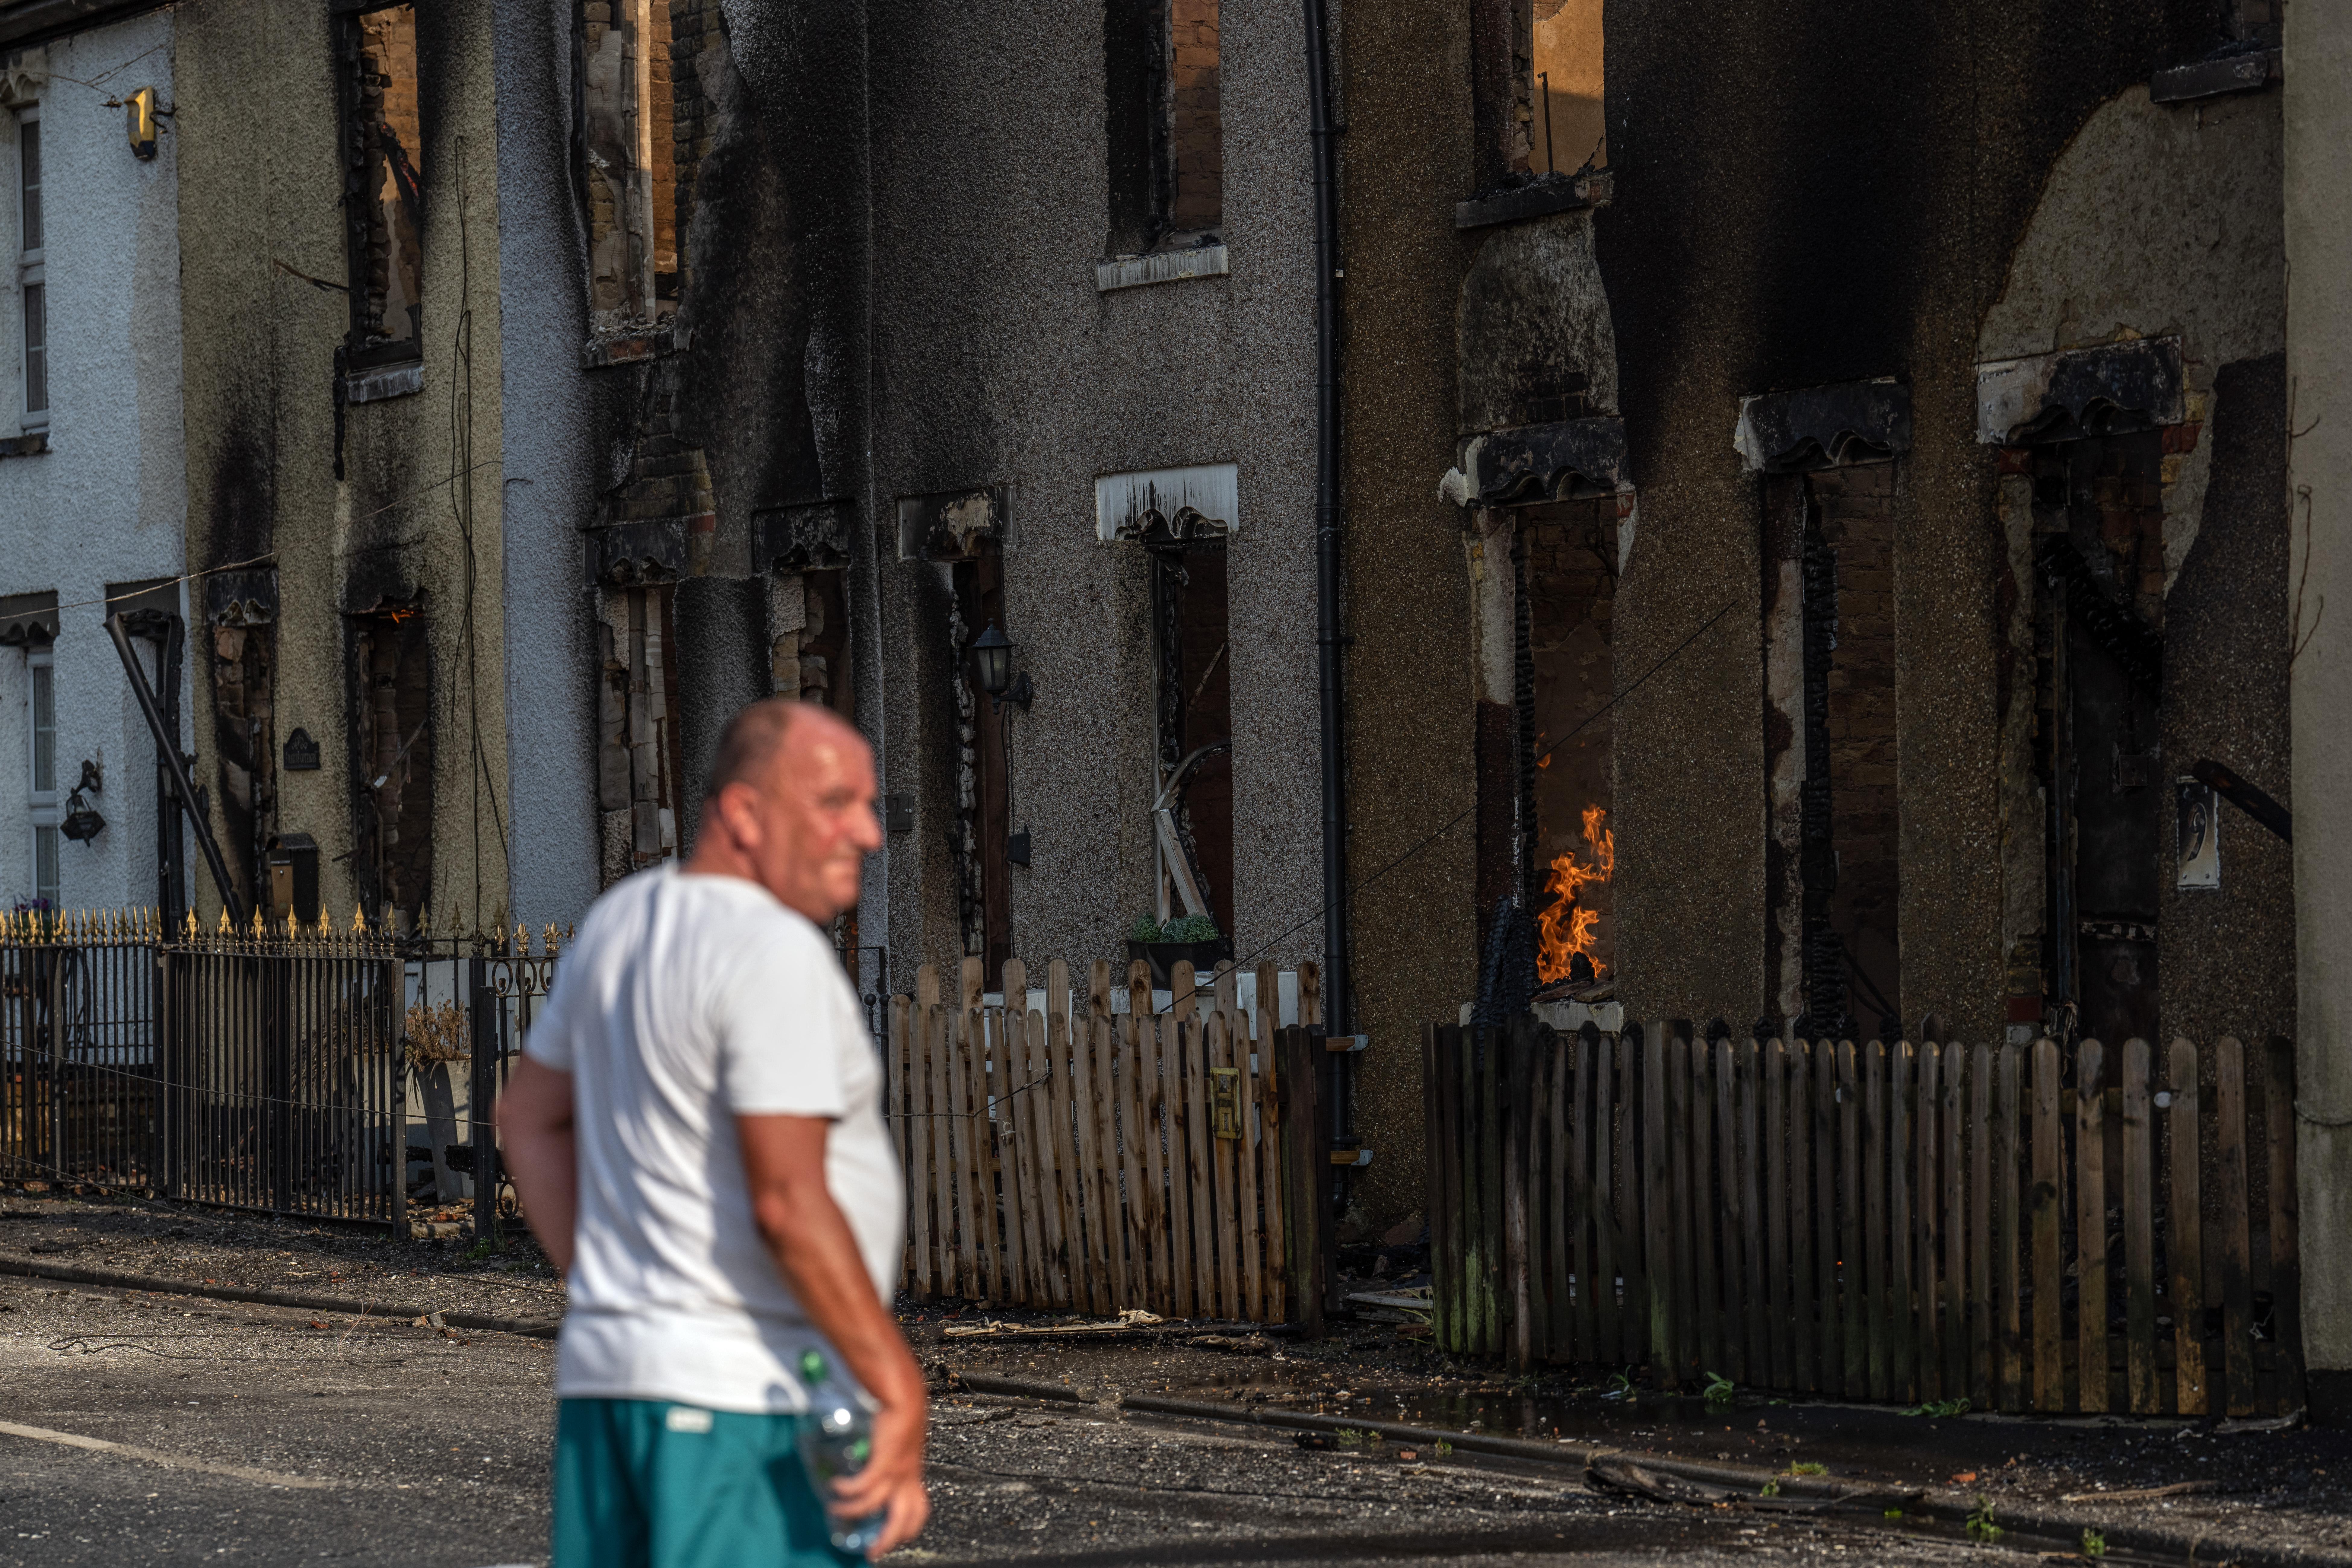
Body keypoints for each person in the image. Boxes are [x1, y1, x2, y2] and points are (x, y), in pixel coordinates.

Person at [498, 698, 928, 1566]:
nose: (867, 833)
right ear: (743, 813)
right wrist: (895, 1385)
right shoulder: (770, 949)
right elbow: (787, 1200)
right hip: (741, 1399)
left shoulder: (620, 921)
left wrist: (613, 1286)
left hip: (610, 1384)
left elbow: (527, 1119)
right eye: (836, 803)